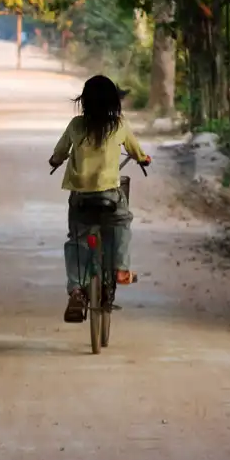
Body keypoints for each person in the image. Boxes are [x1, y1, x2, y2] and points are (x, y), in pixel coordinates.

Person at [48, 75, 151, 323]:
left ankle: (76, 289)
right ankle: (121, 269)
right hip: (109, 196)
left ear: (84, 101)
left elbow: (60, 152)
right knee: (121, 223)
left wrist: (55, 161)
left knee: (77, 240)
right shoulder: (119, 125)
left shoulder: (75, 126)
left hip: (81, 198)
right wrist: (143, 159)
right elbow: (137, 151)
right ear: (114, 102)